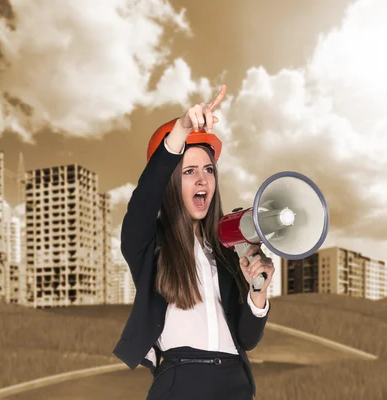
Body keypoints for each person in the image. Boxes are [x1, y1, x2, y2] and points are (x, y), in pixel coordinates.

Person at [112, 84, 275, 400]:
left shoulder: (228, 250)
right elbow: (144, 198)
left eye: (208, 170)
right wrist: (182, 129)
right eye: (189, 171)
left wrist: (258, 293)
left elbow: (247, 338)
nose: (202, 180)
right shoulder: (148, 243)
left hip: (235, 381)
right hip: (181, 380)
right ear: (169, 182)